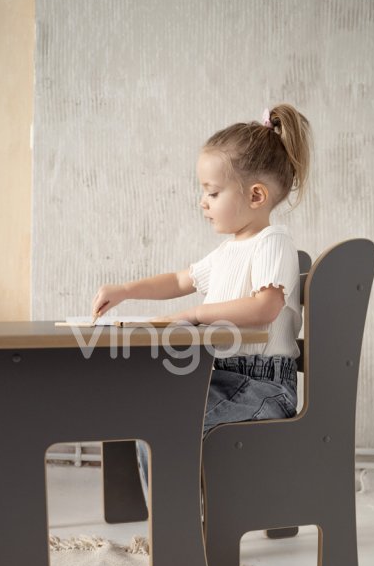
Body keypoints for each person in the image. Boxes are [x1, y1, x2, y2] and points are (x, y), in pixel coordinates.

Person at [90, 103, 312, 500]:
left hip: (262, 386)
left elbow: (266, 307)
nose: (202, 202)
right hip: (221, 378)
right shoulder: (227, 252)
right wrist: (124, 290)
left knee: (164, 424)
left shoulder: (272, 242)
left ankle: (183, 518)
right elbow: (180, 280)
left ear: (255, 195)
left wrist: (196, 314)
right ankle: (176, 517)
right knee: (148, 410)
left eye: (212, 192)